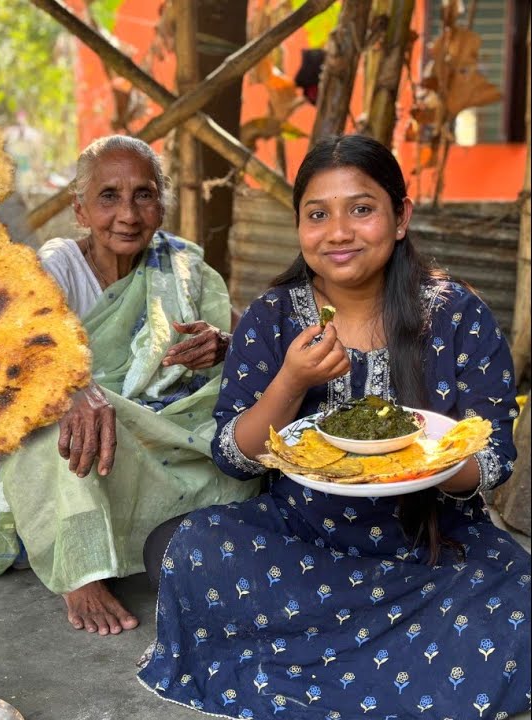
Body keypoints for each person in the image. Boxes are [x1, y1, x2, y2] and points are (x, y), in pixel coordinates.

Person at [137, 134, 530, 717]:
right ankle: (402, 653)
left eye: (362, 209)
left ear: (401, 218)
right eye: (317, 214)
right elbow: (235, 454)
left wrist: (433, 459)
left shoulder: (456, 314)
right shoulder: (273, 317)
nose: (339, 232)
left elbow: (493, 454)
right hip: (303, 538)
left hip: (434, 543)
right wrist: (290, 382)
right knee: (184, 549)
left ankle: (321, 653)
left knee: (521, 597)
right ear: (299, 226)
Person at [0, 135, 259, 635]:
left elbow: (249, 342)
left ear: (161, 205)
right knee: (53, 434)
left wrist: (223, 344)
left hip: (159, 427)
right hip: (88, 425)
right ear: (80, 210)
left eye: (143, 195)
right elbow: (5, 358)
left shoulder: (181, 264)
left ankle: (138, 531)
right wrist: (74, 389)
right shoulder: (54, 266)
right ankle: (79, 571)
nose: (128, 213)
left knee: (240, 446)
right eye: (108, 197)